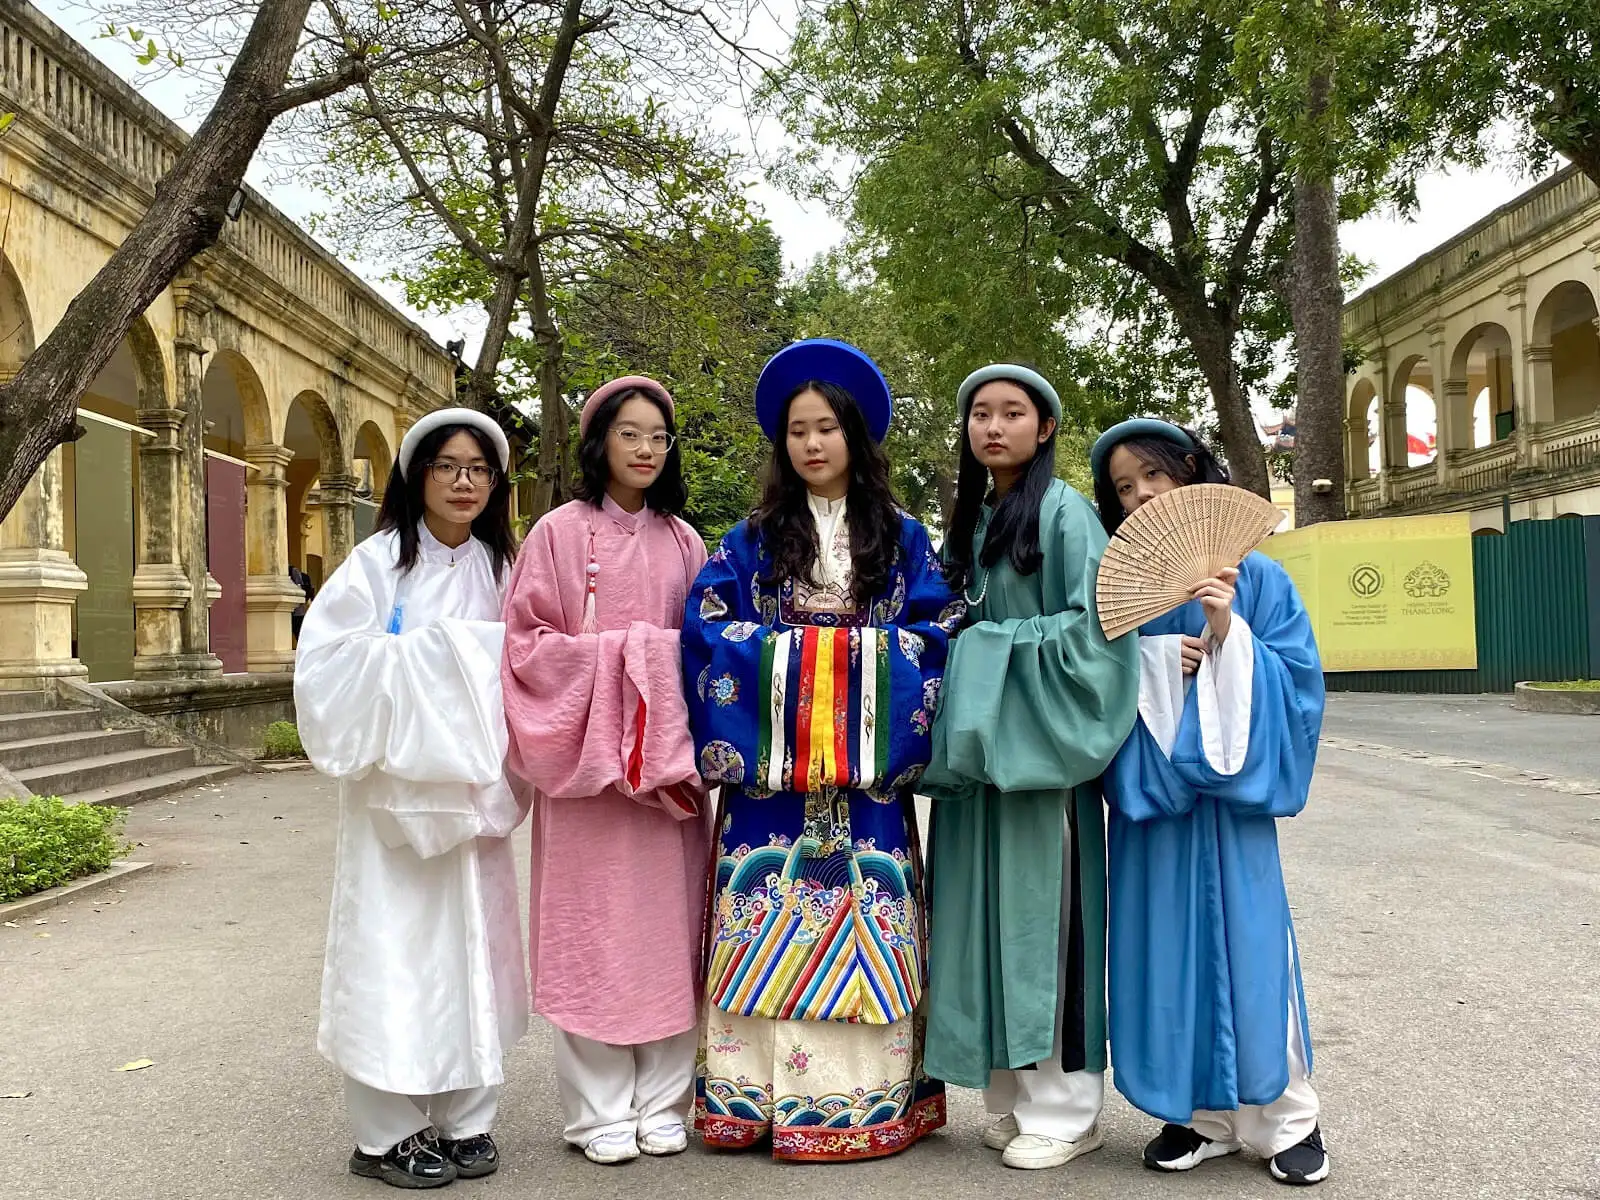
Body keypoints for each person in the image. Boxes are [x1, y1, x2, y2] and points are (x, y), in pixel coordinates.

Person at [683, 339, 963, 1162]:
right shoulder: (748, 541)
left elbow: (938, 630)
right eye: (797, 431)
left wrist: (818, 661)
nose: (811, 444)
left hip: (867, 789)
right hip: (770, 787)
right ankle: (753, 1100)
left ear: (855, 438)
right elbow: (705, 631)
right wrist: (830, 661)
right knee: (762, 916)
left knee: (864, 921)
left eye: (826, 429)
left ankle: (860, 1101)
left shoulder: (906, 539)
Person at [1091, 419, 1330, 1186]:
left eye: (1152, 478)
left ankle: (1289, 1115)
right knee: (1162, 952)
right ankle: (1197, 1116)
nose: (1139, 499)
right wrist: (1155, 661)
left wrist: (1230, 637)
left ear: (1191, 472)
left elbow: (1299, 686)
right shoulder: (1122, 590)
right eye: (1123, 489)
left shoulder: (1261, 578)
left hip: (1232, 810)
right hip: (1155, 803)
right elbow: (1095, 687)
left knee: (1251, 948)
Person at [294, 408, 526, 1189]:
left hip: (475, 798)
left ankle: (465, 1117)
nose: (464, 482)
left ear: (495, 485)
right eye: (447, 466)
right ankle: (386, 1131)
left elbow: (529, 668)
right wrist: (438, 660)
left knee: (477, 951)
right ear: (416, 475)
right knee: (393, 951)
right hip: (393, 801)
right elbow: (326, 670)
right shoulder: (373, 566)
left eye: (478, 470)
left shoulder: (504, 570)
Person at [921, 363, 1139, 1171]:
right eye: (981, 413)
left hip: (1042, 760)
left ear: (1045, 429)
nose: (994, 427)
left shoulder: (1065, 512)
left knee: (1045, 927)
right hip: (983, 765)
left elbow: (1096, 639)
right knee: (983, 922)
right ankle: (1014, 1096)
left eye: (1013, 413)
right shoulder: (976, 517)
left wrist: (980, 652)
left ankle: (1070, 1108)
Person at [501, 376, 710, 1166]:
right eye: (631, 434)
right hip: (588, 773)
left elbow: (705, 659)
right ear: (600, 442)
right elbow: (526, 651)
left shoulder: (685, 541)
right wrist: (625, 666)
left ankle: (663, 1101)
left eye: (659, 435)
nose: (647, 449)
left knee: (669, 930)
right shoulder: (556, 532)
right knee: (589, 931)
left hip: (665, 778)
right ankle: (596, 1112)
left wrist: (655, 675)